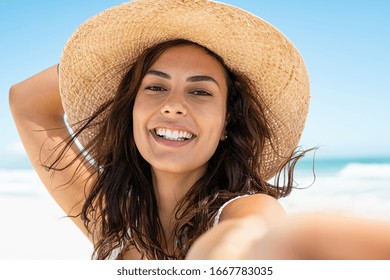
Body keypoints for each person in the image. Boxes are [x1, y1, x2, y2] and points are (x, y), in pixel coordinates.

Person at [9, 0, 390, 260]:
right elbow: (26, 102)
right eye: (155, 86)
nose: (173, 104)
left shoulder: (246, 209)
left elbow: (248, 239)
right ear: (131, 112)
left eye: (200, 91)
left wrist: (277, 245)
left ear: (227, 123)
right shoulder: (113, 220)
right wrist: (100, 59)